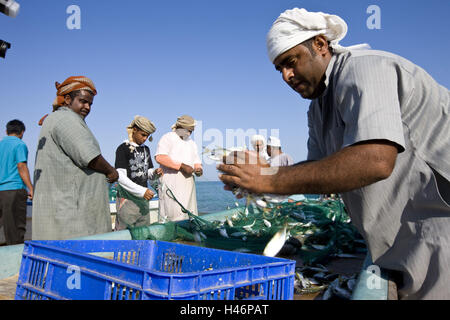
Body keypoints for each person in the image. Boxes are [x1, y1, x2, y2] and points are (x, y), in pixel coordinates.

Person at [218, 8, 450, 299]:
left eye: (291, 62)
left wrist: (270, 178)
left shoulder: (366, 69)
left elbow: (375, 160)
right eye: (279, 69)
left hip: (438, 229)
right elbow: (317, 171)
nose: (287, 76)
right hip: (400, 244)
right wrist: (254, 182)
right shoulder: (317, 109)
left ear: (320, 45)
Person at [32, 76, 119, 240]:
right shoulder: (66, 119)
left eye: (90, 104)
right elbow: (90, 156)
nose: (87, 107)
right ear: (67, 99)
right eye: (83, 101)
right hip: (70, 213)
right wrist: (111, 171)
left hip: (61, 208)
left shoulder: (57, 119)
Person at [114, 115, 163, 230]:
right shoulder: (123, 148)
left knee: (143, 233)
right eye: (143, 135)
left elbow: (148, 171)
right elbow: (120, 177)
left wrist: (155, 172)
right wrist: (142, 191)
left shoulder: (146, 149)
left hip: (143, 202)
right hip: (127, 201)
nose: (145, 138)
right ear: (134, 130)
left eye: (148, 136)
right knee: (124, 234)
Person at [155, 115, 203, 222]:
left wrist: (199, 169)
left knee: (189, 214)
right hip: (171, 184)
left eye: (191, 131)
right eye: (188, 130)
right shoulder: (168, 137)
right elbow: (160, 157)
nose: (189, 133)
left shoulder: (192, 143)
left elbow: (196, 162)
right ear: (180, 127)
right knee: (172, 214)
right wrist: (181, 166)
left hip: (188, 185)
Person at [0, 120, 33, 245]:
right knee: (16, 232)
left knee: (4, 229)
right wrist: (30, 188)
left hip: (1, 191)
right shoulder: (20, 144)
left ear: (6, 131)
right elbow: (21, 166)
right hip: (14, 190)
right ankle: (16, 262)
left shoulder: (1, 144)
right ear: (22, 132)